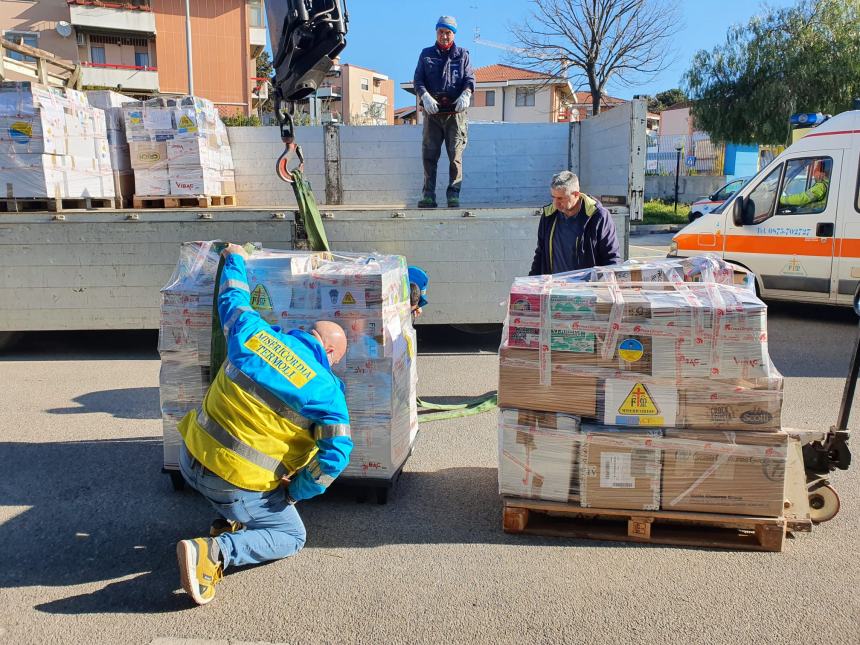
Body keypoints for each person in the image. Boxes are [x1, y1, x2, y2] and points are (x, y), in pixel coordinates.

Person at [175, 243, 352, 606]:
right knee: (291, 535)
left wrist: (236, 258)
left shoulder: (254, 334)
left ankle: (228, 519)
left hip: (189, 459)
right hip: (232, 482)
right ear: (330, 354)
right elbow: (335, 459)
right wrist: (295, 492)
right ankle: (215, 552)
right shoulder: (328, 392)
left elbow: (233, 298)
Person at [413, 15, 475, 209]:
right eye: (441, 32)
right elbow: (418, 80)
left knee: (455, 156)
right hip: (433, 114)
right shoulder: (426, 54)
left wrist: (467, 93)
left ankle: (453, 195)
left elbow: (469, 79)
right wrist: (424, 96)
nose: (444, 36)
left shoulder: (463, 55)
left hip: (455, 115)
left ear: (453, 34)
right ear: (436, 32)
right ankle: (429, 195)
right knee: (429, 155)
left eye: (448, 33)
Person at [529, 171, 621, 276]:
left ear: (576, 194)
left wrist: (610, 285)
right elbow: (540, 254)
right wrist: (531, 282)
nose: (555, 203)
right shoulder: (548, 216)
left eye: (560, 198)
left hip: (586, 289)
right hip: (554, 288)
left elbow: (611, 258)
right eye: (553, 197)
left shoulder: (598, 217)